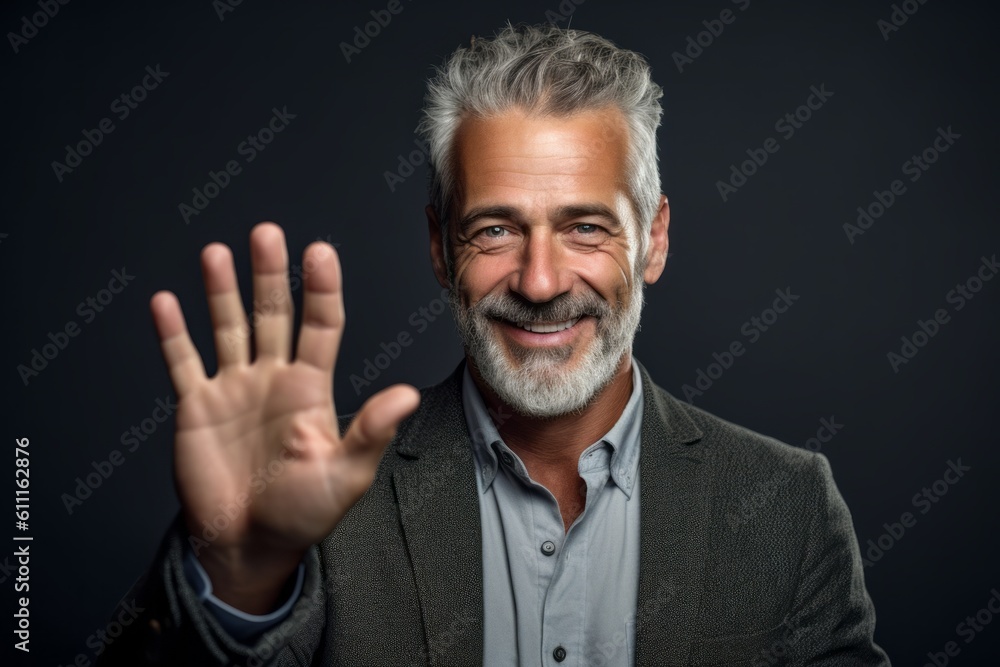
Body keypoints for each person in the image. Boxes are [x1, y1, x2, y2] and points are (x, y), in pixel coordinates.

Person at [101, 22, 890, 666]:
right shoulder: (320, 509)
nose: (541, 282)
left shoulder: (788, 507)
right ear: (441, 248)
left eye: (585, 226)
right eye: (495, 229)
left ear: (653, 240)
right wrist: (239, 573)